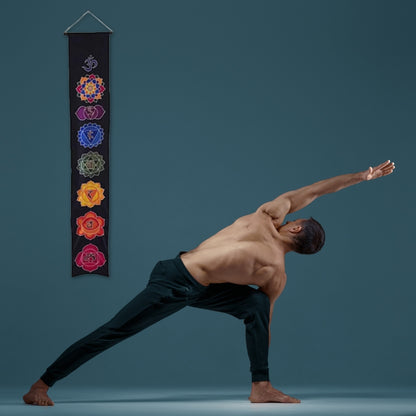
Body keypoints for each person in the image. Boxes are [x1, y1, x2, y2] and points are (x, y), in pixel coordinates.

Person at [23, 160, 395, 406]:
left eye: (298, 218)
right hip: (176, 284)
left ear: (295, 226)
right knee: (256, 307)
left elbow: (315, 189)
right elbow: (265, 327)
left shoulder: (266, 215)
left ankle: (259, 388)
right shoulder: (275, 274)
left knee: (253, 306)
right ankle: (40, 385)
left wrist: (362, 177)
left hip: (179, 273)